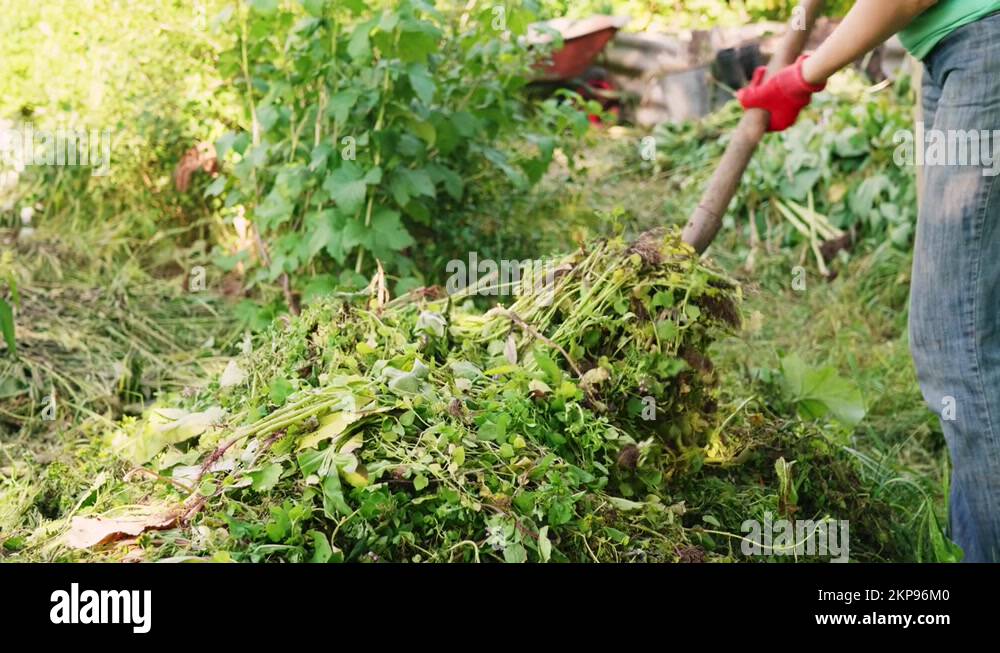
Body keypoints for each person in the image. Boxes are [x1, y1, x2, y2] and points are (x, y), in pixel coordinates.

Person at [737, 0, 1000, 562]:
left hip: (982, 44)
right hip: (955, 47)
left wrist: (803, 74)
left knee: (955, 340)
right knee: (982, 326)